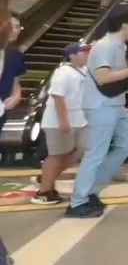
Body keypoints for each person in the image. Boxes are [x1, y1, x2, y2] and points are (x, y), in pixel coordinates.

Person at [66, 9, 128, 218]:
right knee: (95, 153)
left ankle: (91, 191)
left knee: (126, 144)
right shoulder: (104, 46)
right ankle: (78, 202)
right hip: (100, 105)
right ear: (125, 24)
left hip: (115, 104)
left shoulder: (119, 46)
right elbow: (103, 77)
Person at [32, 43, 91, 205]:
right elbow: (58, 96)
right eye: (84, 52)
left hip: (78, 120)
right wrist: (63, 120)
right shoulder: (63, 72)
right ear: (72, 55)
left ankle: (46, 178)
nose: (88, 55)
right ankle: (44, 192)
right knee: (57, 155)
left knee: (81, 150)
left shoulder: (83, 70)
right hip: (58, 121)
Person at [0, 17, 24, 143]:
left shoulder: (15, 55)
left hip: (2, 108)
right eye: (11, 26)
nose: (15, 30)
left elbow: (16, 82)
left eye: (17, 27)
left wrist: (16, 96)